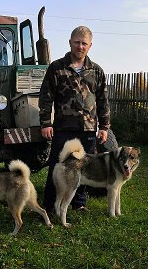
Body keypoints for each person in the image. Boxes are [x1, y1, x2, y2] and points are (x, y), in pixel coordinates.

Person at [38, 25, 110, 213]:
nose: (80, 46)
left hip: (88, 129)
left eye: (84, 43)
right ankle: (49, 205)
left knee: (83, 167)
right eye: (77, 42)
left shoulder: (97, 71)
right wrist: (45, 123)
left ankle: (79, 203)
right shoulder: (56, 67)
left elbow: (103, 100)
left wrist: (104, 126)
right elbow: (46, 97)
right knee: (58, 167)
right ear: (70, 43)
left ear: (90, 46)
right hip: (63, 128)